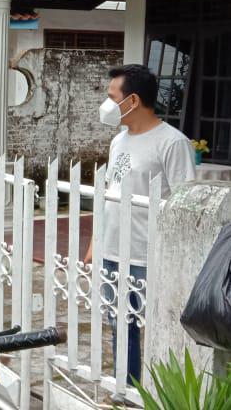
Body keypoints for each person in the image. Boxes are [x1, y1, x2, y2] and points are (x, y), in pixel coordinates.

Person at [85, 64, 196, 385]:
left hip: (146, 255)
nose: (106, 104)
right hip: (112, 252)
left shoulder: (172, 143)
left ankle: (162, 391)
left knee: (161, 324)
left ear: (132, 100)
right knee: (120, 326)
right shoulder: (119, 140)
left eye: (111, 96)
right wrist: (96, 241)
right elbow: (112, 193)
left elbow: (184, 204)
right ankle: (127, 389)